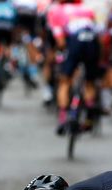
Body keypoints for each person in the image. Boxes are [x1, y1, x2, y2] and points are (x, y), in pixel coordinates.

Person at [46, 0, 100, 135]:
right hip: (92, 41)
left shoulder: (56, 11)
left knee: (64, 81)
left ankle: (63, 119)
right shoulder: (86, 9)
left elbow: (60, 40)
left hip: (75, 42)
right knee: (89, 82)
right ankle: (89, 112)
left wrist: (63, 55)